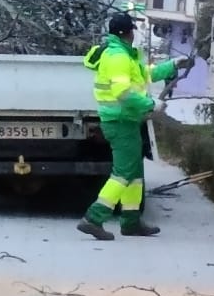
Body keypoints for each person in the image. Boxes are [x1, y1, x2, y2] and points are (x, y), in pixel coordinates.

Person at [77, 14, 189, 241]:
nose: (133, 33)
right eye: (131, 30)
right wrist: (151, 104)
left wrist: (172, 65)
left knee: (135, 174)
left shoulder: (124, 54)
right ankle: (94, 218)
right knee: (123, 173)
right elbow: (123, 93)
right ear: (125, 33)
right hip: (120, 121)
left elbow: (144, 74)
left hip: (125, 120)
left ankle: (131, 221)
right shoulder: (118, 57)